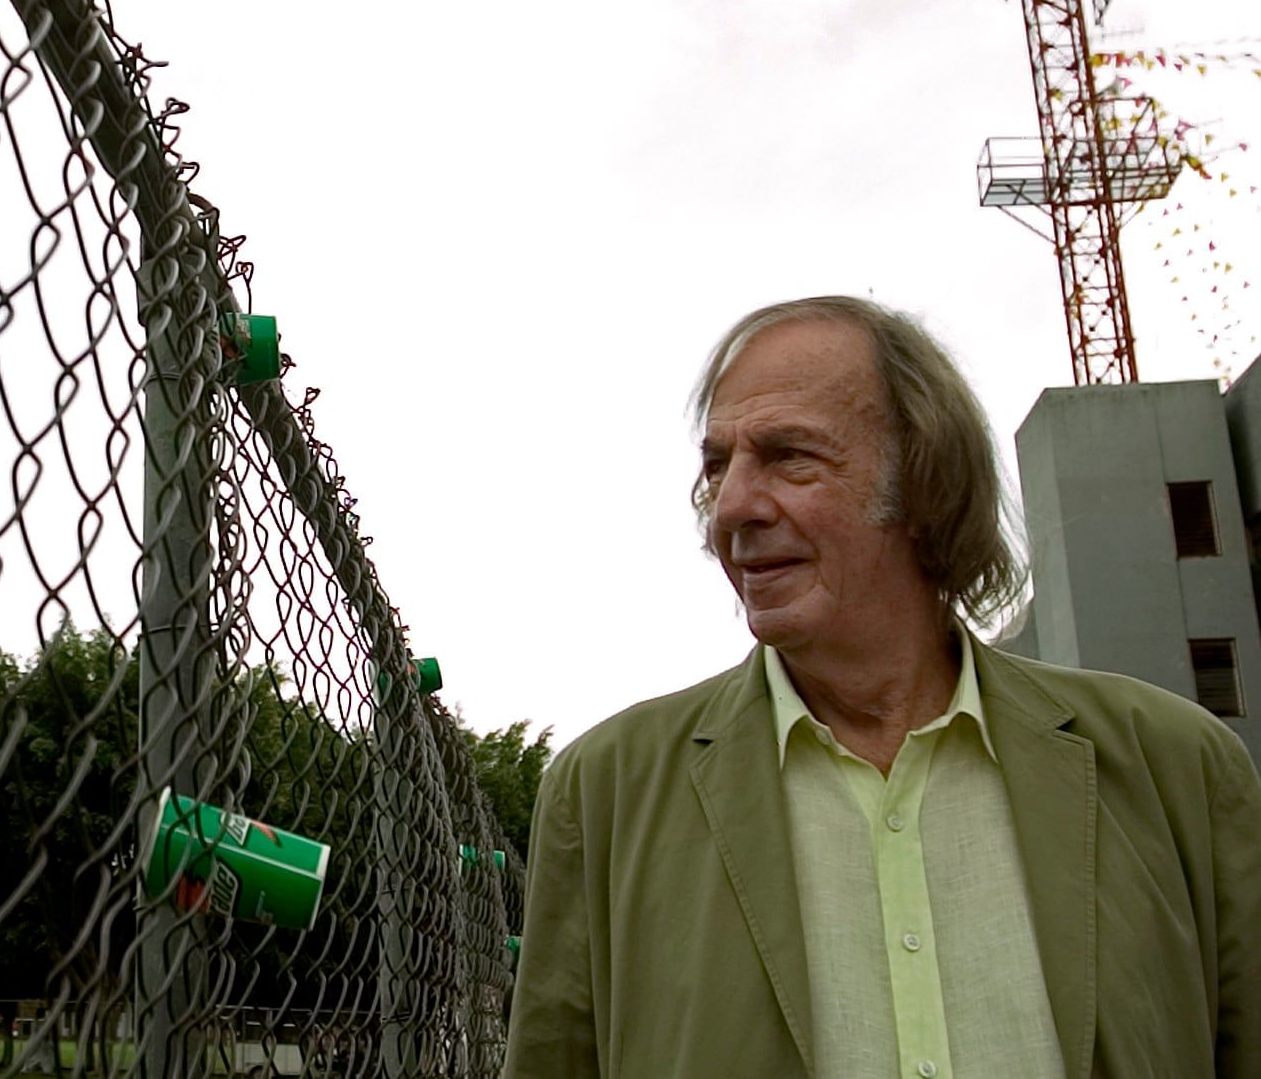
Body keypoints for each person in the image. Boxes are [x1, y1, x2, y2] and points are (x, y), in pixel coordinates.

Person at [501, 295, 1261, 1078]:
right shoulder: (608, 793)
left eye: (789, 455)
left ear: (925, 480)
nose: (731, 508)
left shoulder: (1176, 768)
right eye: (718, 465)